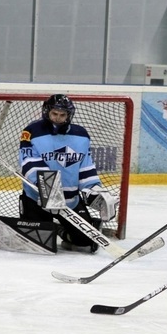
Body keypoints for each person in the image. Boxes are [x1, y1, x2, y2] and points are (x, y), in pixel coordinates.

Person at [18, 94, 118, 253]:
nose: (58, 118)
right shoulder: (32, 131)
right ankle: (49, 226)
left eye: (62, 115)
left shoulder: (81, 135)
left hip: (69, 202)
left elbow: (86, 168)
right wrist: (50, 191)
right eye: (54, 114)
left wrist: (95, 192)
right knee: (38, 246)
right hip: (37, 200)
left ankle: (59, 229)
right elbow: (30, 163)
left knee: (86, 243)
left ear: (69, 115)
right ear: (47, 112)